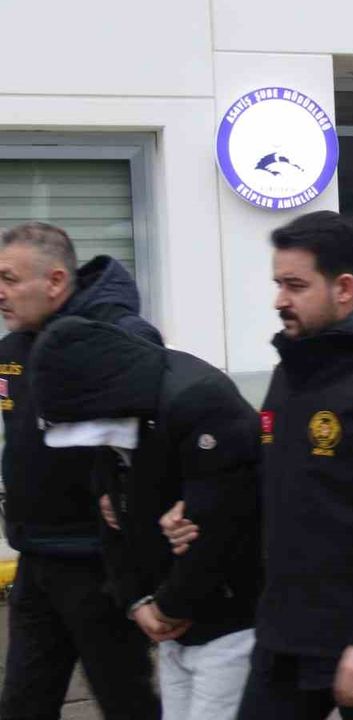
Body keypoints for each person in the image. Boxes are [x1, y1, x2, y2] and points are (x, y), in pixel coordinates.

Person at [163, 211, 353, 718]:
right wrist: (196, 508)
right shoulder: (291, 374)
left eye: (296, 285)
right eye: (279, 284)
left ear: (344, 288)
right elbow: (267, 480)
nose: (280, 299)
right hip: (291, 632)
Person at [28, 315, 262, 720]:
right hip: (172, 624)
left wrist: (167, 606)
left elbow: (220, 526)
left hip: (231, 624)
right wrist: (136, 600)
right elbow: (110, 514)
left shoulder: (198, 404)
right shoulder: (117, 417)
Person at [0, 222, 162, 720]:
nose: (0, 293)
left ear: (54, 281)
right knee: (24, 703)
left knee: (126, 702)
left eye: (9, 279)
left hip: (100, 565)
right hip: (36, 558)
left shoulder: (116, 338)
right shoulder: (12, 350)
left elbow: (161, 434)